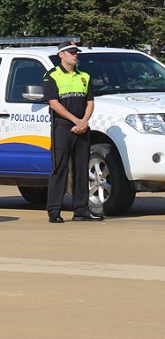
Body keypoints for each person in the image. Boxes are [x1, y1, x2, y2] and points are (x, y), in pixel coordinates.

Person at [44, 40, 103, 223]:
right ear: (61, 55)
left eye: (76, 52)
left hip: (82, 127)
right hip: (62, 127)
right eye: (71, 52)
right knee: (60, 168)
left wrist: (84, 121)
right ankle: (54, 211)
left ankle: (81, 210)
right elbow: (53, 103)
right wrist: (75, 120)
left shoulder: (84, 76)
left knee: (81, 169)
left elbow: (90, 102)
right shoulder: (51, 76)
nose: (75, 55)